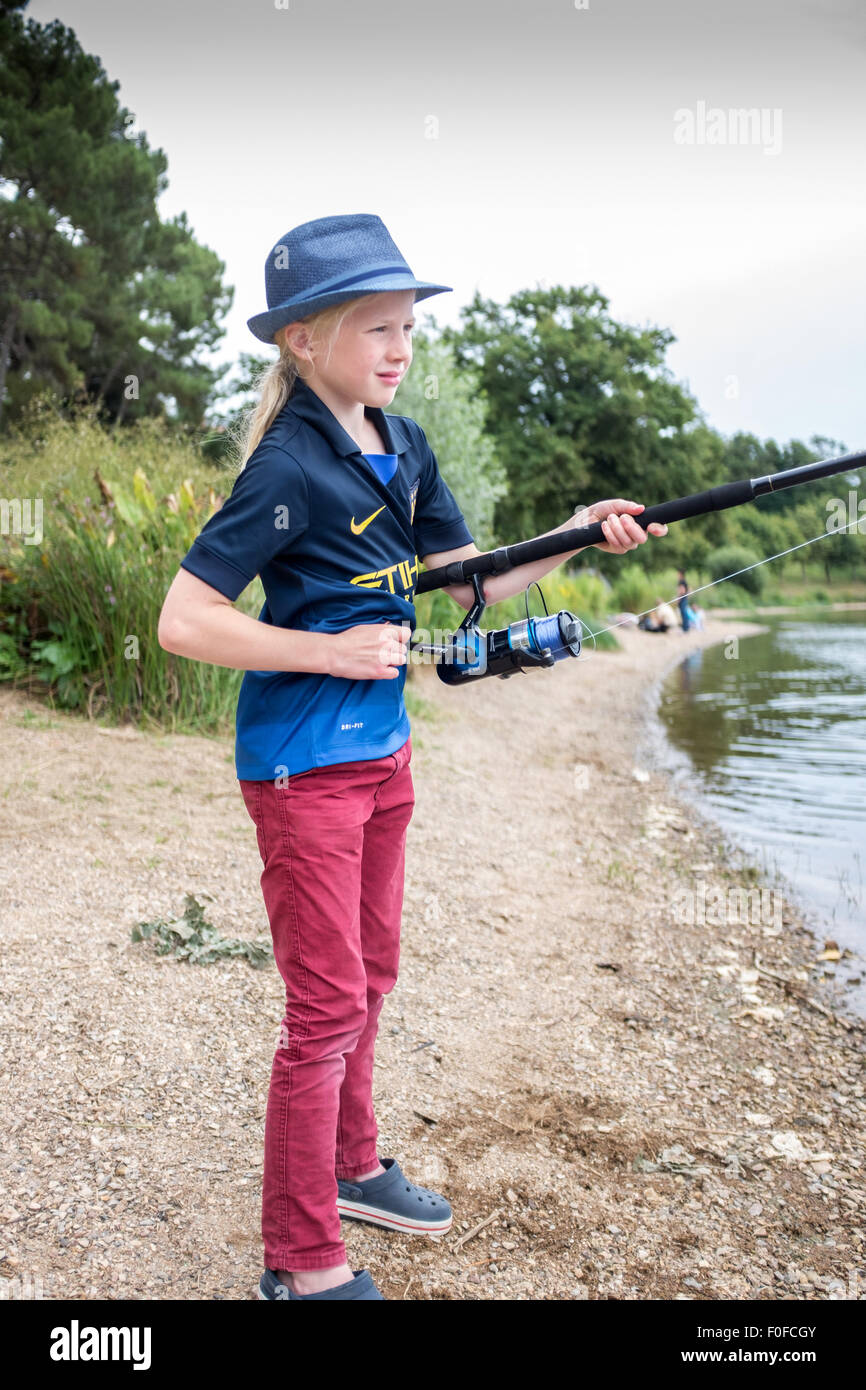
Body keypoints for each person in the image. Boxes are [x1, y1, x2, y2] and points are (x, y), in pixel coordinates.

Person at [157, 213, 668, 1302]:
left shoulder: (406, 442)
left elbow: (469, 582)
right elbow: (185, 619)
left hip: (384, 756)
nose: (399, 347)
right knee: (324, 1006)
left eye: (407, 327)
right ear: (302, 340)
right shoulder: (290, 465)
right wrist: (326, 649)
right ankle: (300, 1262)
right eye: (376, 328)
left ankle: (352, 1167)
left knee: (370, 976)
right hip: (301, 767)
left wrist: (577, 531)